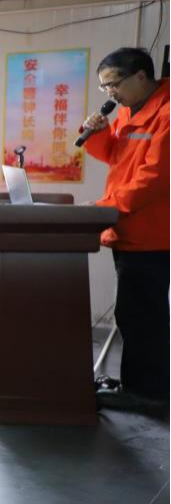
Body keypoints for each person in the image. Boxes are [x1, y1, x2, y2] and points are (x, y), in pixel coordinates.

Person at [80, 47, 169, 410]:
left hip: (153, 235)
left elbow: (154, 178)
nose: (111, 93)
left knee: (143, 316)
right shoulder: (131, 111)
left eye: (114, 84)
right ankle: (138, 384)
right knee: (133, 314)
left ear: (141, 76)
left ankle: (148, 394)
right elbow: (115, 156)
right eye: (105, 88)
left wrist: (106, 207)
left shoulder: (165, 115)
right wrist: (97, 134)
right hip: (130, 230)